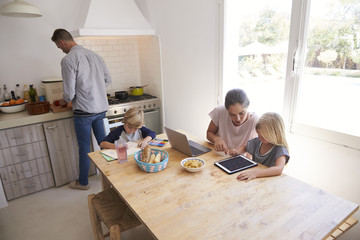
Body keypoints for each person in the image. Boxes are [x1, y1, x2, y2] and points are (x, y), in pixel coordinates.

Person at [51, 29, 112, 190]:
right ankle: (112, 176)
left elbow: (69, 94)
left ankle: (83, 182)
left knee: (84, 147)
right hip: (100, 109)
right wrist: (94, 91)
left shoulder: (68, 60)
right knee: (103, 143)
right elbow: (108, 80)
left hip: (84, 112)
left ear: (62, 42)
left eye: (59, 47)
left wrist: (62, 101)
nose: (61, 50)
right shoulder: (95, 55)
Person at [229, 112, 290, 181]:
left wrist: (256, 173)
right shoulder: (258, 141)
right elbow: (245, 148)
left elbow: (278, 169)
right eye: (258, 135)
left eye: (263, 137)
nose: (260, 138)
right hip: (254, 179)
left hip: (269, 182)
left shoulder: (280, 149)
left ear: (274, 135)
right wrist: (236, 151)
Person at [207, 88, 258, 154]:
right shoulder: (220, 111)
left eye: (241, 113)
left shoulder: (255, 120)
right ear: (226, 110)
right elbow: (209, 132)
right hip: (219, 155)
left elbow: (253, 148)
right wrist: (216, 139)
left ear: (248, 106)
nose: (238, 119)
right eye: (232, 115)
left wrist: (238, 152)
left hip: (240, 158)